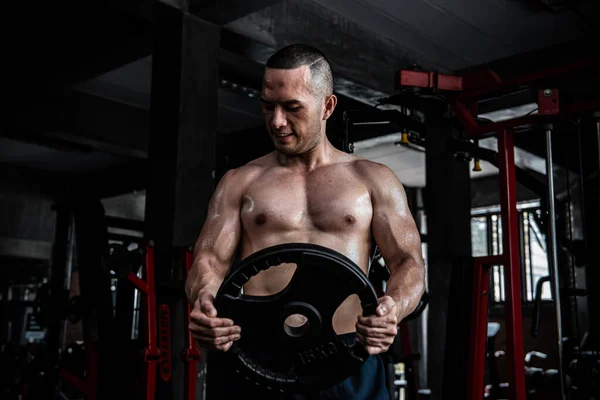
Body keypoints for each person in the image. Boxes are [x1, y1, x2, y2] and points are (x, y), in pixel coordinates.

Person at [185, 43, 426, 399]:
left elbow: (408, 262)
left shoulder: (373, 180)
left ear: (327, 106)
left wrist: (393, 308)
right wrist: (204, 299)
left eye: (292, 107)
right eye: (268, 107)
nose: (277, 121)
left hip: (344, 355)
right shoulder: (240, 181)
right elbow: (208, 260)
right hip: (256, 357)